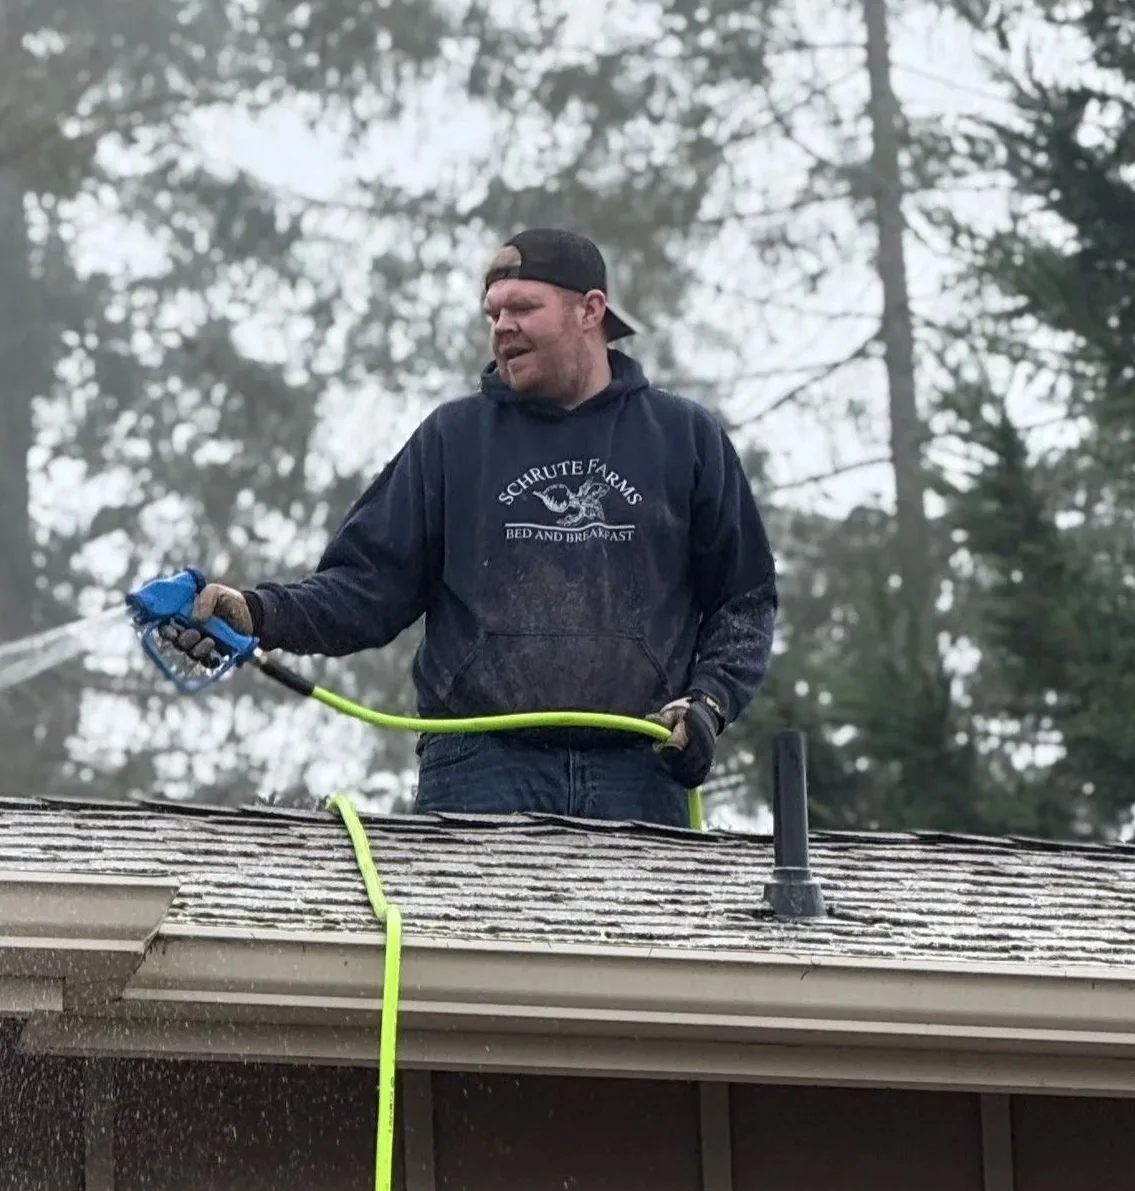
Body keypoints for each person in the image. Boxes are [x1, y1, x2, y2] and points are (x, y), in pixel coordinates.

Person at [190, 228, 777, 827]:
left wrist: (708, 703)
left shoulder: (684, 437)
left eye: (523, 307)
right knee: (475, 926)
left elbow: (745, 600)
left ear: (590, 310)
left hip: (642, 767)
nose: (501, 327)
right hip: (478, 768)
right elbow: (365, 588)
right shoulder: (453, 439)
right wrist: (255, 612)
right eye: (493, 313)